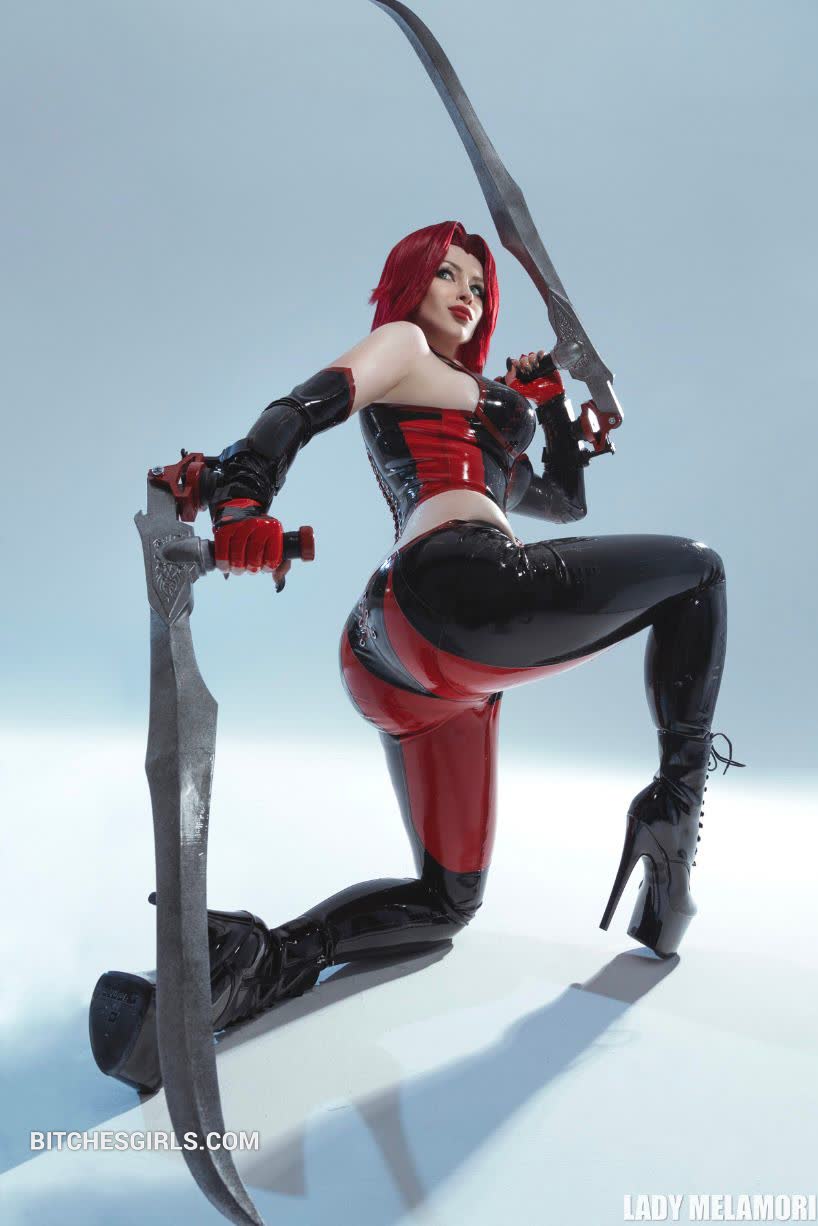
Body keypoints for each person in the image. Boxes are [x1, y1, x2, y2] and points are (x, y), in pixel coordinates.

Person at [90, 220, 740, 1093]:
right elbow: (300, 410)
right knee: (697, 573)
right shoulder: (401, 348)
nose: (466, 292)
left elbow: (561, 502)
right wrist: (243, 496)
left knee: (446, 902)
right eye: (447, 274)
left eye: (477, 283)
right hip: (453, 593)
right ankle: (674, 814)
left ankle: (245, 972)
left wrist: (552, 408)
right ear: (409, 284)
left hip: (411, 667)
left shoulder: (478, 409)